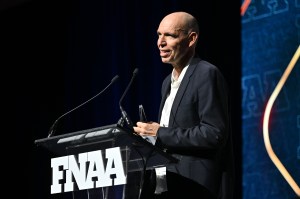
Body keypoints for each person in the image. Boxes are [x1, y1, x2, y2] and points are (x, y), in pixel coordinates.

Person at [133, 11, 234, 199]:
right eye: (158, 35)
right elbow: (170, 139)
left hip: (195, 187)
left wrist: (159, 133)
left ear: (191, 39)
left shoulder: (206, 73)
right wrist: (145, 140)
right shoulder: (166, 83)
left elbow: (214, 134)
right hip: (165, 185)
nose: (160, 42)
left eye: (169, 35)